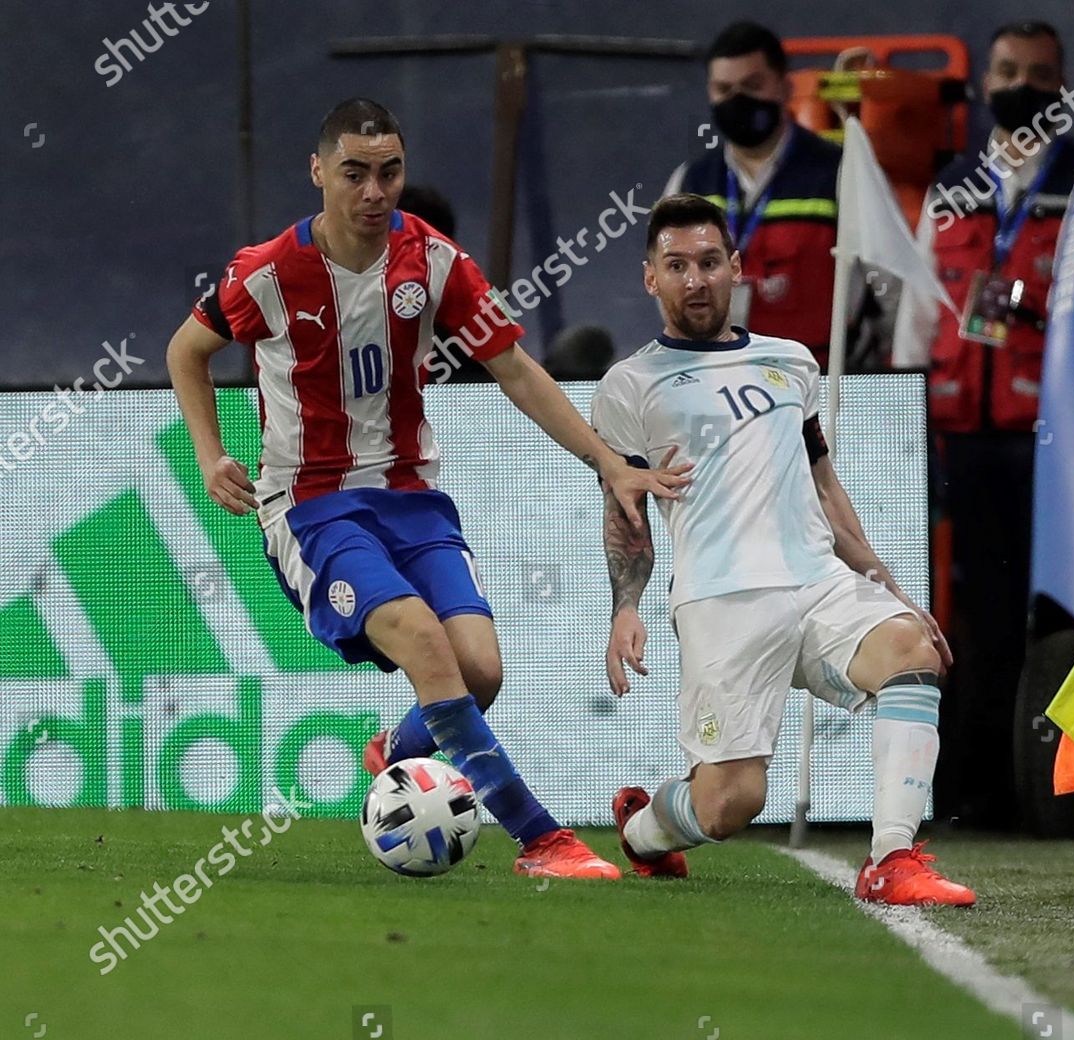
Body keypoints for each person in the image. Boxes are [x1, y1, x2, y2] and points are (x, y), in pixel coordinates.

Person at [164, 98, 690, 880]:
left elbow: (514, 368)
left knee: (481, 671)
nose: (375, 192)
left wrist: (608, 462)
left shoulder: (433, 261)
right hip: (310, 505)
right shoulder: (269, 271)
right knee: (420, 638)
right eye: (354, 174)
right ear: (318, 173)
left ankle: (397, 752)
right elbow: (187, 351)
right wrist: (210, 456)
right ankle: (540, 838)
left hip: (412, 497)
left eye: (390, 173)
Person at [588, 194, 972, 906]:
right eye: (677, 266)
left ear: (736, 267)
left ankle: (892, 857)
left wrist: (886, 582)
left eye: (709, 262)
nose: (696, 280)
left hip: (818, 580)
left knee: (911, 650)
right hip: (720, 598)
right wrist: (626, 606)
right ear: (651, 278)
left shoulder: (792, 362)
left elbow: (823, 481)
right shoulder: (627, 386)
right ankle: (644, 830)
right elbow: (623, 508)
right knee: (730, 804)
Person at [891, 20, 1074, 825]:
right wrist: (905, 409)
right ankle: (961, 785)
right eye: (1008, 71)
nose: (1022, 86)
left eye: (1040, 75)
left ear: (1062, 87)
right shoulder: (956, 184)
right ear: (985, 83)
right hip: (957, 435)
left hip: (1053, 438)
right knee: (960, 610)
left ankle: (1030, 787)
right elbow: (917, 307)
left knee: (1038, 612)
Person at [664, 21, 845, 369]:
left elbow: (886, 282)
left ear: (784, 86)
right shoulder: (690, 181)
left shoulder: (840, 171)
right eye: (724, 89)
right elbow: (667, 287)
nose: (738, 100)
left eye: (752, 85)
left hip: (813, 380)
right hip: (714, 377)